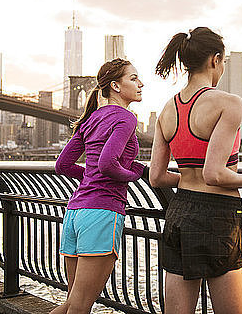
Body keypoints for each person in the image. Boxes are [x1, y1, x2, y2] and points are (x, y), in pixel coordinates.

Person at [149, 27, 242, 314]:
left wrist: (188, 176)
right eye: (223, 62)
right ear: (215, 60)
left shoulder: (167, 109)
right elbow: (214, 174)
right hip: (217, 215)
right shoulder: (228, 103)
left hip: (178, 212)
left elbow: (156, 177)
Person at [51, 58, 146, 314]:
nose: (141, 84)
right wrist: (135, 172)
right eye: (134, 78)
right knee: (80, 307)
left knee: (72, 303)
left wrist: (87, 177)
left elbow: (62, 165)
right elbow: (107, 164)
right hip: (102, 211)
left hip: (75, 212)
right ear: (115, 85)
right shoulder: (126, 118)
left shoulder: (89, 119)